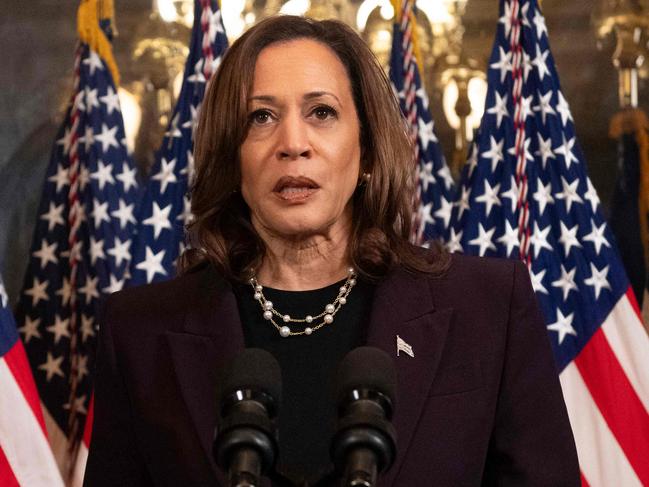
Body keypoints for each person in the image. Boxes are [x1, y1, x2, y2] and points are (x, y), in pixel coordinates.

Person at [84, 15, 580, 487]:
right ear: (231, 156)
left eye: (322, 112)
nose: (292, 143)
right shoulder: (139, 332)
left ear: (365, 150)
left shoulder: (488, 307)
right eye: (261, 117)